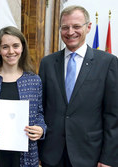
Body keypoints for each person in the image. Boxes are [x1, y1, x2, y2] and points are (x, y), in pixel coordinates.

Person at [38, 5, 118, 167]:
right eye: (65, 27)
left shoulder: (107, 62)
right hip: (52, 155)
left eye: (76, 26)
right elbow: (41, 108)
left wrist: (108, 158)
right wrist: (38, 151)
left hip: (89, 155)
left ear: (88, 27)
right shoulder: (47, 63)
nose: (70, 32)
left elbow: (113, 115)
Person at [0, 26, 47, 167]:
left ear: (22, 48)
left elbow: (39, 113)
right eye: (5, 47)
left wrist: (41, 129)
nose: (11, 51)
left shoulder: (34, 80)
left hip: (25, 155)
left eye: (15, 46)